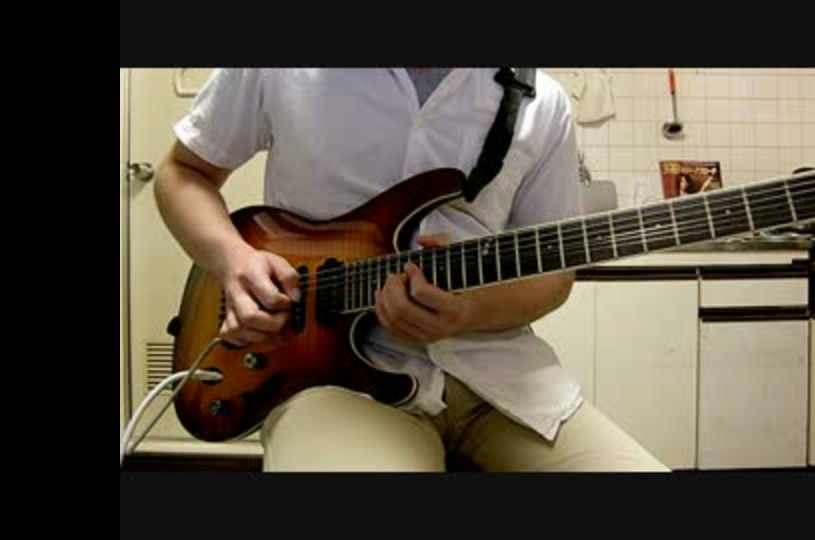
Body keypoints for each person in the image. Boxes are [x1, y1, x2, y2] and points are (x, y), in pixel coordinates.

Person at [154, 68, 669, 472]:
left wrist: (467, 312)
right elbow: (183, 172)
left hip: (500, 379)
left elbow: (553, 276)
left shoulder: (543, 102)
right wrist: (234, 260)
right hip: (333, 382)